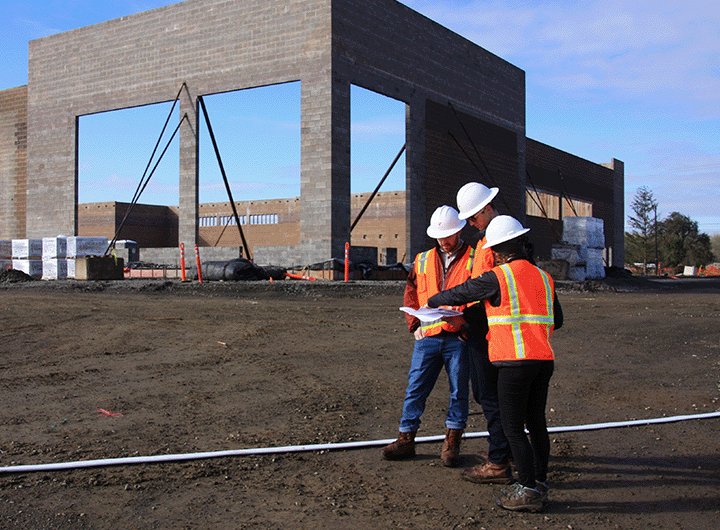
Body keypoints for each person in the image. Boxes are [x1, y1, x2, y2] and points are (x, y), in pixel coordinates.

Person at [427, 215, 563, 512]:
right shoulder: (543, 277)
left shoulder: (499, 276)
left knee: (513, 426)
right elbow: (559, 320)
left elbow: (463, 292)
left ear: (498, 250)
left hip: (513, 360)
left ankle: (526, 489)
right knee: (536, 423)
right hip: (543, 359)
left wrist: (434, 301)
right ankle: (539, 482)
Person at [381, 205, 475, 467]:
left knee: (458, 392)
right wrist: (414, 324)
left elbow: (479, 297)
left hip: (459, 337)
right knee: (416, 388)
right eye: (440, 237)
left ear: (459, 231)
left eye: (449, 236)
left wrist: (467, 325)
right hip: (429, 335)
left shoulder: (474, 259)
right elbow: (411, 292)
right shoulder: (422, 260)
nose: (445, 242)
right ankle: (406, 438)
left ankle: (452, 443)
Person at [454, 182, 513, 484]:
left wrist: (466, 315)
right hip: (481, 326)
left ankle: (500, 459)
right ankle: (506, 451)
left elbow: (491, 288)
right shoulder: (484, 242)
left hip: (488, 329)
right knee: (490, 395)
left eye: (474, 217)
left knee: (490, 395)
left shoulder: (496, 243)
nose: (470, 223)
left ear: (488, 210)